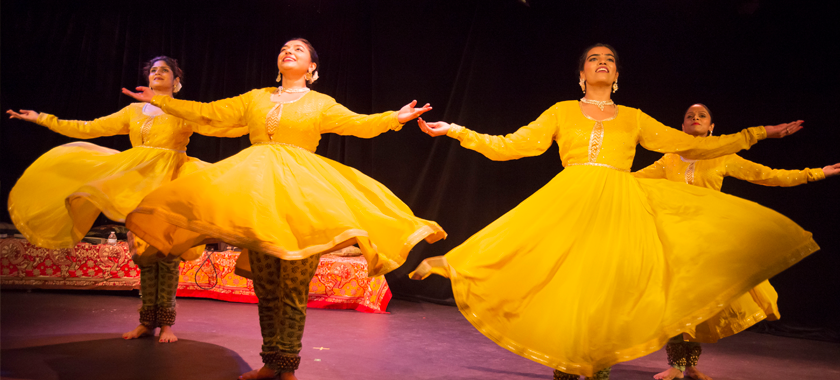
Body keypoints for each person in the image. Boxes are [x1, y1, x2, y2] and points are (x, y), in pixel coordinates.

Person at [409, 44, 817, 379]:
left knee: (607, 284)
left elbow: (694, 146)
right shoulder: (561, 111)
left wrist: (758, 133)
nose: (602, 62)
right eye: (593, 59)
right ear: (582, 75)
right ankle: (562, 357)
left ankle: (601, 360)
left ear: (617, 76)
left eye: (609, 60)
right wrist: (458, 131)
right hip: (572, 196)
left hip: (619, 203)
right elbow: (513, 145)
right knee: (561, 272)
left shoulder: (635, 118)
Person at [121, 38, 446, 380]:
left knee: (293, 285)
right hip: (259, 196)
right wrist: (162, 102)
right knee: (265, 285)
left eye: (299, 50)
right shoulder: (255, 98)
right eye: (284, 49)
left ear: (312, 68)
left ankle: (287, 364)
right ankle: (269, 361)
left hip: (301, 197)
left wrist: (395, 117)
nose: (288, 51)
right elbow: (208, 112)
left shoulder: (321, 103)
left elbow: (358, 124)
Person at [6, 56, 247, 343]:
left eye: (164, 70)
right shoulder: (133, 111)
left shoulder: (181, 110)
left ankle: (167, 323)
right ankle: (147, 321)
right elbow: (90, 128)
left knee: (166, 254)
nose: (157, 73)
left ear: (176, 81)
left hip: (171, 184)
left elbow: (217, 126)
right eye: (153, 70)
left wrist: (254, 124)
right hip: (138, 184)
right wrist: (43, 119)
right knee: (144, 254)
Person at [634, 103, 840, 380]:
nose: (695, 118)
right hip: (675, 241)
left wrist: (817, 172)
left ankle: (689, 365)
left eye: (702, 115)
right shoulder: (669, 159)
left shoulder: (722, 157)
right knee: (677, 305)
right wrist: (593, 176)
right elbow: (630, 181)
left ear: (712, 127)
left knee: (701, 308)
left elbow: (769, 175)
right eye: (689, 116)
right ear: (682, 127)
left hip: (708, 242)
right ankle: (677, 366)